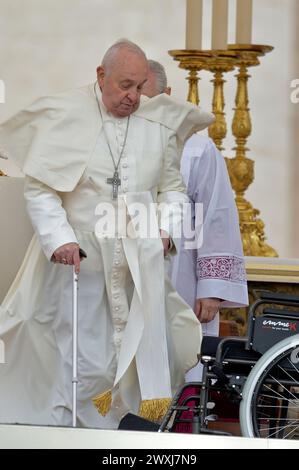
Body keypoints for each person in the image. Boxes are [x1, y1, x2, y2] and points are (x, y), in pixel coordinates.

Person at [0, 40, 215, 428]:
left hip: (135, 265)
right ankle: (64, 434)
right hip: (76, 262)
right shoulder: (67, 114)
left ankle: (116, 436)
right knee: (74, 355)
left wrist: (165, 228)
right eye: (125, 85)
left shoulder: (157, 124)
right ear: (101, 77)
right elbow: (41, 188)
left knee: (129, 356)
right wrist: (59, 239)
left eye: (140, 86)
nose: (133, 97)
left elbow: (173, 189)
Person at [142, 60, 248, 380]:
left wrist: (212, 288)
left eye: (148, 99)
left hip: (182, 278)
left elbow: (215, 216)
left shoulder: (197, 149)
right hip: (130, 280)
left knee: (181, 366)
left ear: (168, 94)